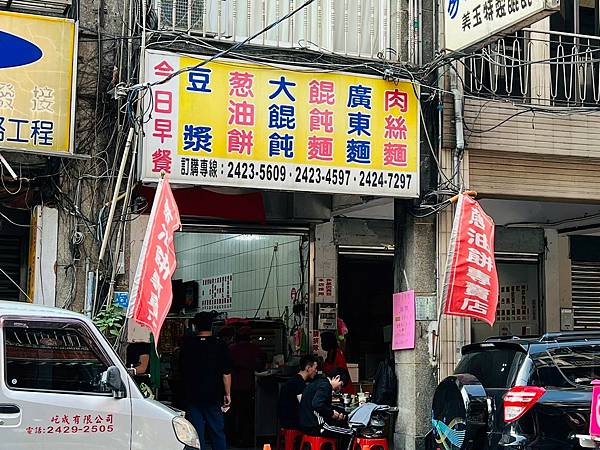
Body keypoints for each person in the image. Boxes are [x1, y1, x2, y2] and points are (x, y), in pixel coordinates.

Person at [180, 312, 231, 450]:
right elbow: (226, 373)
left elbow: (182, 370)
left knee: (196, 434)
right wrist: (227, 393)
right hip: (213, 395)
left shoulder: (187, 345)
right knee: (217, 431)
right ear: (211, 326)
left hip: (192, 395)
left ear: (196, 326)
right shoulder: (220, 345)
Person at [228, 326, 267, 447]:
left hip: (233, 387)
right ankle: (247, 439)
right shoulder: (255, 349)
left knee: (234, 414)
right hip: (249, 386)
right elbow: (261, 364)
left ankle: (233, 439)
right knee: (248, 415)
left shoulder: (231, 349)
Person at [298, 367, 355, 450]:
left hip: (306, 424)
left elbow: (322, 405)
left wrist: (335, 412)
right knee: (351, 432)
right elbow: (317, 404)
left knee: (342, 428)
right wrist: (331, 413)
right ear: (337, 377)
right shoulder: (325, 386)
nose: (339, 389)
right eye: (341, 385)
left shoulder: (318, 382)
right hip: (316, 426)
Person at [277, 355, 318, 430]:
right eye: (315, 368)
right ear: (308, 368)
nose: (316, 371)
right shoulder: (299, 383)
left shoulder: (296, 379)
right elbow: (305, 405)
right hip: (292, 422)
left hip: (287, 420)